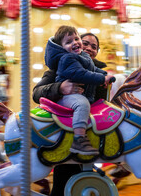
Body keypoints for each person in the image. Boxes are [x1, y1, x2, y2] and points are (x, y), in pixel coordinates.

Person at [33, 31, 108, 196]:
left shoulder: (99, 72)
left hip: (93, 131)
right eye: (85, 43)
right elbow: (36, 93)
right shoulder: (59, 65)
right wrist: (58, 88)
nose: (89, 48)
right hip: (67, 132)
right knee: (64, 180)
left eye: (94, 46)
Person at [44, 25, 113, 156]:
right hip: (68, 97)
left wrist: (105, 75)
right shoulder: (67, 58)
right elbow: (81, 73)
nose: (75, 43)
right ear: (61, 47)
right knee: (82, 104)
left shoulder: (83, 57)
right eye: (69, 42)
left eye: (76, 39)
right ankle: (79, 139)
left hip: (84, 96)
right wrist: (101, 78)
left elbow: (93, 70)